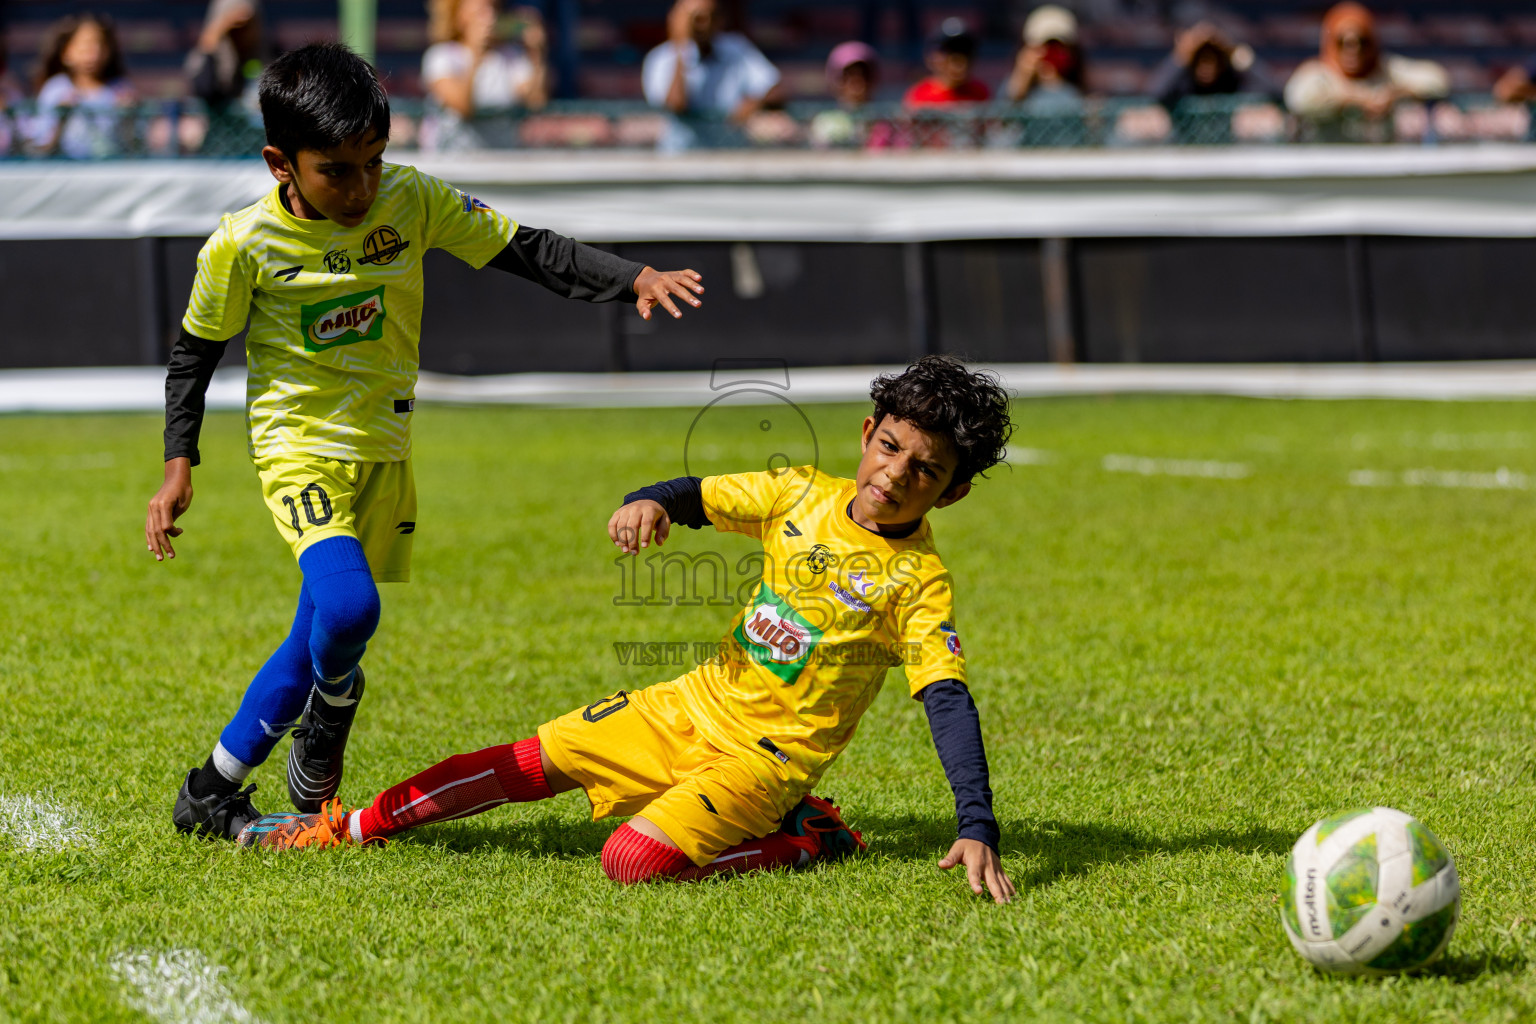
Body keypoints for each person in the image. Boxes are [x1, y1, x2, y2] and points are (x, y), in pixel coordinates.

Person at [148, 42, 707, 841]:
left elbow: (525, 249)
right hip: (296, 447)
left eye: (373, 162)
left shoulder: (409, 200)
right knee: (348, 606)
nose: (362, 186)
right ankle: (327, 727)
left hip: (386, 447)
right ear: (281, 163)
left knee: (321, 629)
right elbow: (193, 355)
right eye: (336, 170)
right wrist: (179, 468)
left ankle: (211, 791)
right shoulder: (239, 246)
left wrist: (633, 278)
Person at [237, 356, 1018, 905]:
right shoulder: (799, 493)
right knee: (528, 760)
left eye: (925, 469)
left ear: (949, 495)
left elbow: (945, 699)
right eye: (891, 447)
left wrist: (975, 823)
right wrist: (647, 501)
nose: (894, 474)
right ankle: (347, 828)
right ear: (867, 431)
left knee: (630, 862)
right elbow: (696, 494)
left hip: (767, 762)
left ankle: (807, 835)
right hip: (689, 706)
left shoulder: (918, 581)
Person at [642, 0, 783, 150]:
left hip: (729, 152)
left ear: (719, 20)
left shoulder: (737, 48)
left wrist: (754, 101)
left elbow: (775, 87)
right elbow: (676, 104)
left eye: (710, 17)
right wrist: (681, 48)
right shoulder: (661, 58)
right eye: (695, 18)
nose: (702, 25)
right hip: (681, 155)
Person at [1284, 2, 1447, 129]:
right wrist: (1353, 99)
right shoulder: (1319, 72)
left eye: (1362, 42)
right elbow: (1299, 99)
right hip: (1328, 161)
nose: (1354, 50)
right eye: (1343, 43)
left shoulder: (1386, 68)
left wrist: (1397, 93)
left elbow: (1438, 80)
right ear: (1331, 42)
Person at [420, 0, 549, 152]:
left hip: (499, 159)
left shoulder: (511, 56)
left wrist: (536, 54)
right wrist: (476, 55)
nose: (491, 17)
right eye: (481, 11)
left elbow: (536, 102)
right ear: (459, 15)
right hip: (451, 160)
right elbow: (462, 107)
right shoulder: (440, 56)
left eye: (493, 9)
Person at [26, 14, 136, 159]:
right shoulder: (56, 88)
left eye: (100, 44)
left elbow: (134, 147)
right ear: (66, 52)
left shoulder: (121, 89)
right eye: (85, 45)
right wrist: (62, 118)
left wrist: (127, 117)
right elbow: (42, 148)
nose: (94, 53)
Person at [1148, 21, 1278, 110]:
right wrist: (1183, 54)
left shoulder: (1230, 78)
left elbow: (1272, 91)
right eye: (1201, 60)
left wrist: (1233, 52)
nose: (1206, 67)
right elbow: (1155, 94)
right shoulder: (1184, 79)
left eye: (1211, 60)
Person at [185, 0, 264, 113]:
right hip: (217, 110)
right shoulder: (211, 56)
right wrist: (222, 25)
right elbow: (204, 86)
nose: (240, 31)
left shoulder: (259, 54)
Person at [1002, 5, 1085, 111]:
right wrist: (1022, 75)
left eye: (1058, 47)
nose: (1050, 54)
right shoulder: (1013, 87)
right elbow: (1005, 112)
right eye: (1044, 46)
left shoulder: (1076, 93)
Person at [809, 40, 879, 148]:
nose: (857, 80)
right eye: (848, 74)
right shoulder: (825, 122)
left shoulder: (884, 120)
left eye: (864, 73)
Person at [905, 18, 990, 107]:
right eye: (950, 51)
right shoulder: (920, 95)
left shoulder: (980, 92)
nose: (960, 60)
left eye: (965, 50)